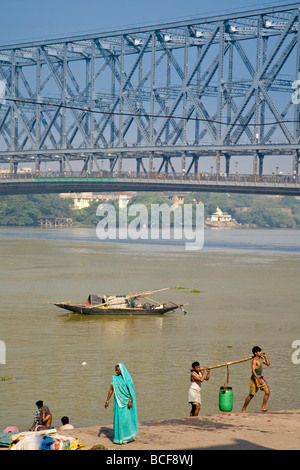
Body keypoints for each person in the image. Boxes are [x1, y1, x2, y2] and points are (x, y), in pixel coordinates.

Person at [105, 363, 138, 445]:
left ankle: (127, 438)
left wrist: (130, 400)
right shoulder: (114, 378)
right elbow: (111, 390)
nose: (116, 371)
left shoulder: (127, 379)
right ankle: (119, 439)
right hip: (118, 401)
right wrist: (107, 400)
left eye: (118, 370)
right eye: (115, 370)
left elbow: (131, 390)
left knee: (126, 420)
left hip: (126, 402)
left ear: (121, 370)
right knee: (118, 419)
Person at [241, 346, 270, 413]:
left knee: (267, 392)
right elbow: (253, 371)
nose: (260, 352)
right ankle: (243, 408)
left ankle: (263, 407)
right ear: (255, 353)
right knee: (251, 394)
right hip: (255, 378)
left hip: (261, 377)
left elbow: (268, 364)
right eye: (259, 352)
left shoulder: (261, 359)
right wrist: (258, 379)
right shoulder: (254, 360)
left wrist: (265, 357)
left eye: (260, 351)